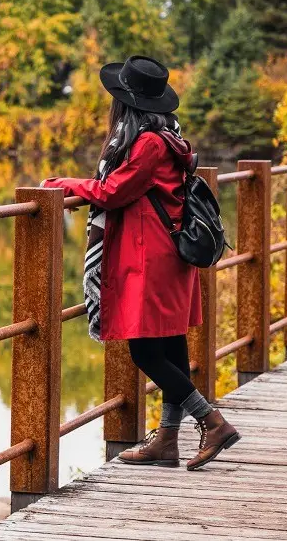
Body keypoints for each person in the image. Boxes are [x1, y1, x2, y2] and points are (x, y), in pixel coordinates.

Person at [42, 55, 240, 471]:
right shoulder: (169, 135)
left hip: (151, 258)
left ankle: (211, 421)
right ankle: (167, 441)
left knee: (145, 352)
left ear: (125, 104)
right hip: (166, 254)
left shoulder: (148, 142)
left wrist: (63, 184)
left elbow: (113, 191)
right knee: (171, 346)